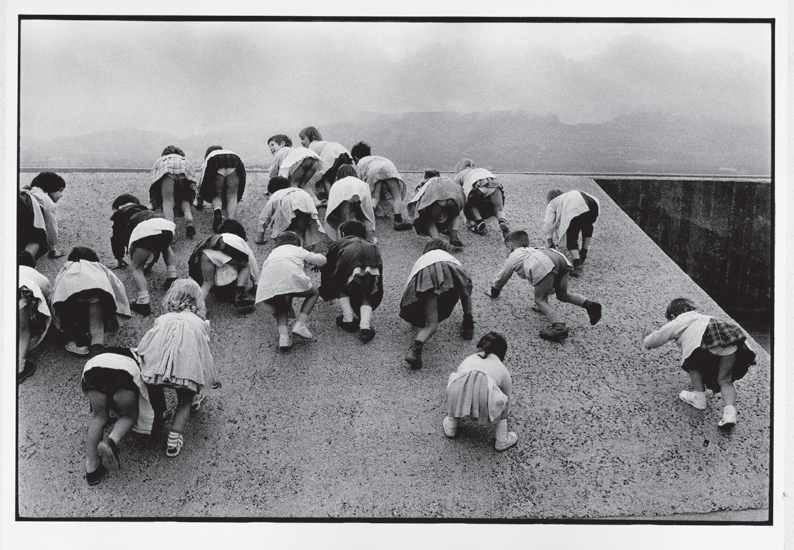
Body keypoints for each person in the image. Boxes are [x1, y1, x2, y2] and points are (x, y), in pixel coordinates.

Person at [642, 298, 757, 429]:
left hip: (703, 339)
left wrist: (646, 340)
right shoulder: (705, 316)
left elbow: (659, 336)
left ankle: (699, 398)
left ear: (673, 316)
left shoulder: (679, 320)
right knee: (725, 379)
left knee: (692, 362)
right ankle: (729, 414)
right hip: (730, 339)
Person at [137, 279, 220, 458]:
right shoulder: (199, 323)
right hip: (185, 370)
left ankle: (157, 417)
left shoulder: (162, 319)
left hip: (158, 368)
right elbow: (202, 354)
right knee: (184, 400)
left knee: (156, 387)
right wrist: (210, 376)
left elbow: (148, 342)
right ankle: (173, 441)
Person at [485, 230, 602, 343]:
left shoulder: (513, 256)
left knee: (539, 300)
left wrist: (495, 291)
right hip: (560, 259)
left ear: (510, 247)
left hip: (544, 265)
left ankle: (559, 328)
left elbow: (503, 276)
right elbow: (548, 284)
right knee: (563, 295)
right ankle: (590, 305)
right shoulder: (533, 249)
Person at [81, 347, 155, 485]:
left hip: (93, 369)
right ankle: (111, 441)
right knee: (129, 415)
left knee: (99, 417)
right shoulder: (137, 356)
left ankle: (92, 468)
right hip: (124, 371)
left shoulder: (102, 354)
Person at [399, 239, 474, 369]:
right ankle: (468, 321)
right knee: (464, 290)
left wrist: (414, 318)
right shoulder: (448, 257)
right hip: (450, 268)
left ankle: (416, 349)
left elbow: (409, 292)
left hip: (425, 278)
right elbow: (466, 283)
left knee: (431, 324)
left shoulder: (422, 261)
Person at [442, 331, 518, 452]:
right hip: (484, 401)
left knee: (458, 386)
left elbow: (459, 377)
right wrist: (504, 411)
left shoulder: (468, 359)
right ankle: (502, 439)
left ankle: (451, 425)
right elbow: (507, 399)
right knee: (503, 400)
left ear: (479, 347)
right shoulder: (502, 369)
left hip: (455, 394)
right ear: (502, 354)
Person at [51, 247, 131, 357]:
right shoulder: (98, 267)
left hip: (72, 293)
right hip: (96, 292)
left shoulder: (68, 267)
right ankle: (97, 354)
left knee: (75, 319)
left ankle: (80, 345)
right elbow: (116, 284)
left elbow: (57, 288)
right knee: (97, 325)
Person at [255, 231, 327, 352]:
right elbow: (320, 260)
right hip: (290, 276)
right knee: (313, 292)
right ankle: (300, 324)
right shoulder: (296, 249)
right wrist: (321, 260)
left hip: (268, 281)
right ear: (296, 243)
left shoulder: (273, 253)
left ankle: (284, 338)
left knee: (281, 305)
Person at [110, 194, 178, 316]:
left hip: (145, 230)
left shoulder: (120, 214)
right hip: (165, 224)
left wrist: (119, 258)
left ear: (118, 207)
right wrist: (151, 262)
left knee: (136, 268)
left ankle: (143, 302)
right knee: (165, 246)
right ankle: (172, 275)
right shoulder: (145, 209)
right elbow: (154, 245)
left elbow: (116, 239)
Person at [320, 220, 383, 343]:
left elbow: (329, 265)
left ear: (344, 233)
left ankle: (348, 319)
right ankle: (365, 327)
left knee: (340, 285)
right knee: (367, 292)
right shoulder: (369, 242)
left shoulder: (341, 242)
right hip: (372, 253)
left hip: (350, 254)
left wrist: (325, 287)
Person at [188, 219, 259, 309]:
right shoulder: (238, 240)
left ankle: (195, 308)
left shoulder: (216, 237)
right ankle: (240, 296)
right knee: (245, 265)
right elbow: (252, 262)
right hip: (221, 251)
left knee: (207, 283)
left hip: (205, 253)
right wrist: (256, 283)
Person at [350, 141, 412, 231]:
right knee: (396, 194)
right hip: (388, 166)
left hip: (373, 170)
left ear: (356, 158)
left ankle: (367, 218)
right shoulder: (378, 158)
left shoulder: (361, 162)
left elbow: (358, 182)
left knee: (375, 196)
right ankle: (398, 221)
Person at [255, 175, 326, 249]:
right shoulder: (297, 190)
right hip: (305, 197)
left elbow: (265, 216)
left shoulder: (276, 195)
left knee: (282, 233)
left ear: (271, 191)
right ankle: (299, 252)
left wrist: (259, 237)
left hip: (287, 201)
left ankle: (284, 252)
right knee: (299, 232)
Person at [542, 189, 600, 277]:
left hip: (576, 204)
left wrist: (549, 240)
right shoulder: (566, 197)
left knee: (571, 235)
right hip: (593, 203)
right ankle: (583, 252)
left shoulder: (553, 203)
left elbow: (548, 222)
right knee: (587, 225)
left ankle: (577, 266)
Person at [406, 170, 467, 247]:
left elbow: (415, 197)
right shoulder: (447, 180)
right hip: (452, 197)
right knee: (455, 214)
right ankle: (454, 236)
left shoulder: (425, 184)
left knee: (430, 221)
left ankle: (437, 241)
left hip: (436, 199)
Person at [149, 145, 199, 238]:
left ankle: (170, 230)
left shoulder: (163, 159)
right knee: (185, 198)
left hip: (167, 171)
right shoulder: (183, 159)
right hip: (184, 170)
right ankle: (189, 220)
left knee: (168, 201)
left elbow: (154, 184)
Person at [453, 159, 510, 238]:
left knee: (471, 205)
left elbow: (455, 189)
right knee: (498, 209)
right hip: (494, 184)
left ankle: (479, 221)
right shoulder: (480, 170)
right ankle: (502, 221)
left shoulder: (460, 174)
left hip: (478, 185)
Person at [18, 251, 52, 383]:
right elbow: (47, 292)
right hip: (18, 296)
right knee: (24, 331)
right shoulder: (34, 274)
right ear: (34, 266)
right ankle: (19, 368)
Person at [197, 145, 247, 233]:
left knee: (216, 193)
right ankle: (231, 224)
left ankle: (217, 213)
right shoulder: (228, 152)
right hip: (234, 159)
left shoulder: (210, 158)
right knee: (232, 195)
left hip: (214, 162)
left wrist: (199, 203)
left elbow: (200, 183)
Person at [267, 134, 324, 206]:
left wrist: (271, 180)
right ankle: (315, 200)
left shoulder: (282, 151)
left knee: (293, 184)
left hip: (301, 161)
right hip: (313, 160)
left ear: (282, 144)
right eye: (269, 147)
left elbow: (274, 169)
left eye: (272, 145)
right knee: (302, 184)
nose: (270, 148)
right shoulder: (292, 150)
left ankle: (296, 205)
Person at [19, 171, 67, 259]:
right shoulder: (46, 200)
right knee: (38, 239)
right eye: (60, 190)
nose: (61, 195)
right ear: (51, 187)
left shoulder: (27, 191)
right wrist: (53, 248)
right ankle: (25, 263)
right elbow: (51, 226)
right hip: (24, 215)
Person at [324, 164, 377, 242]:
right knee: (365, 216)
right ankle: (370, 240)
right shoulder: (360, 182)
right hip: (360, 188)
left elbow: (333, 201)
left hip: (344, 192)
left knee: (344, 220)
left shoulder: (339, 183)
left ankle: (341, 243)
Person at [299, 126, 354, 199]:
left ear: (311, 137)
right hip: (342, 151)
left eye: (303, 138)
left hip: (330, 153)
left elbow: (307, 160)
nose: (301, 142)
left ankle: (332, 200)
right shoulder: (322, 143)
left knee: (325, 178)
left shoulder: (312, 145)